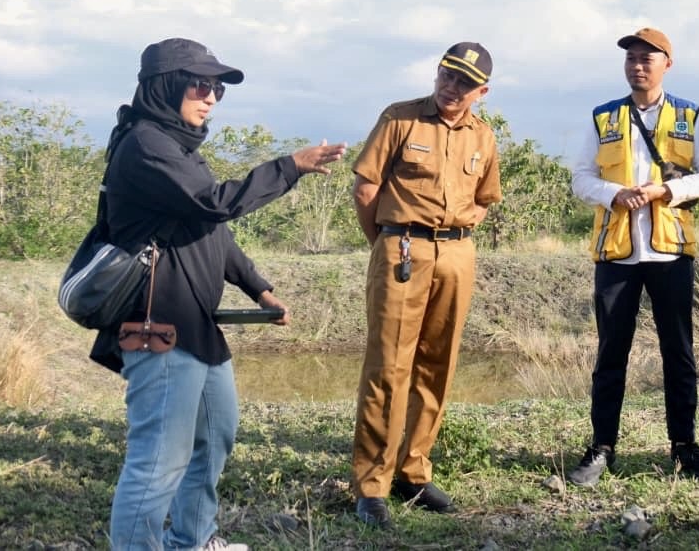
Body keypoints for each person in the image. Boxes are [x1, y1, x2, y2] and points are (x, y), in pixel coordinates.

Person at [98, 37, 347, 551]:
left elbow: (211, 230)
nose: (210, 96)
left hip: (196, 325)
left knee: (214, 437)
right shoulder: (147, 145)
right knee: (158, 459)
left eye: (216, 88)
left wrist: (258, 287)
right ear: (165, 86)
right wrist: (289, 167)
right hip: (158, 327)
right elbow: (216, 203)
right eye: (199, 84)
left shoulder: (178, 150)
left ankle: (192, 541)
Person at [349, 42, 502, 529]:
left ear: (483, 91)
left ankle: (414, 471)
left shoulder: (484, 136)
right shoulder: (400, 119)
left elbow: (485, 199)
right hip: (402, 250)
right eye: (446, 75)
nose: (450, 87)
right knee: (388, 367)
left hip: (457, 254)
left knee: (437, 363)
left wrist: (457, 233)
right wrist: (387, 241)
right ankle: (373, 484)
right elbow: (366, 189)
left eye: (463, 82)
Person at [566, 27, 699, 486]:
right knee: (610, 353)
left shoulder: (689, 115)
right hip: (616, 253)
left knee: (679, 353)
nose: (638, 65)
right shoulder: (603, 117)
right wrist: (615, 193)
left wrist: (668, 190)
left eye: (647, 59)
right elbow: (580, 178)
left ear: (666, 64)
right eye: (632, 59)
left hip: (670, 250)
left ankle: (684, 447)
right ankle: (601, 448)